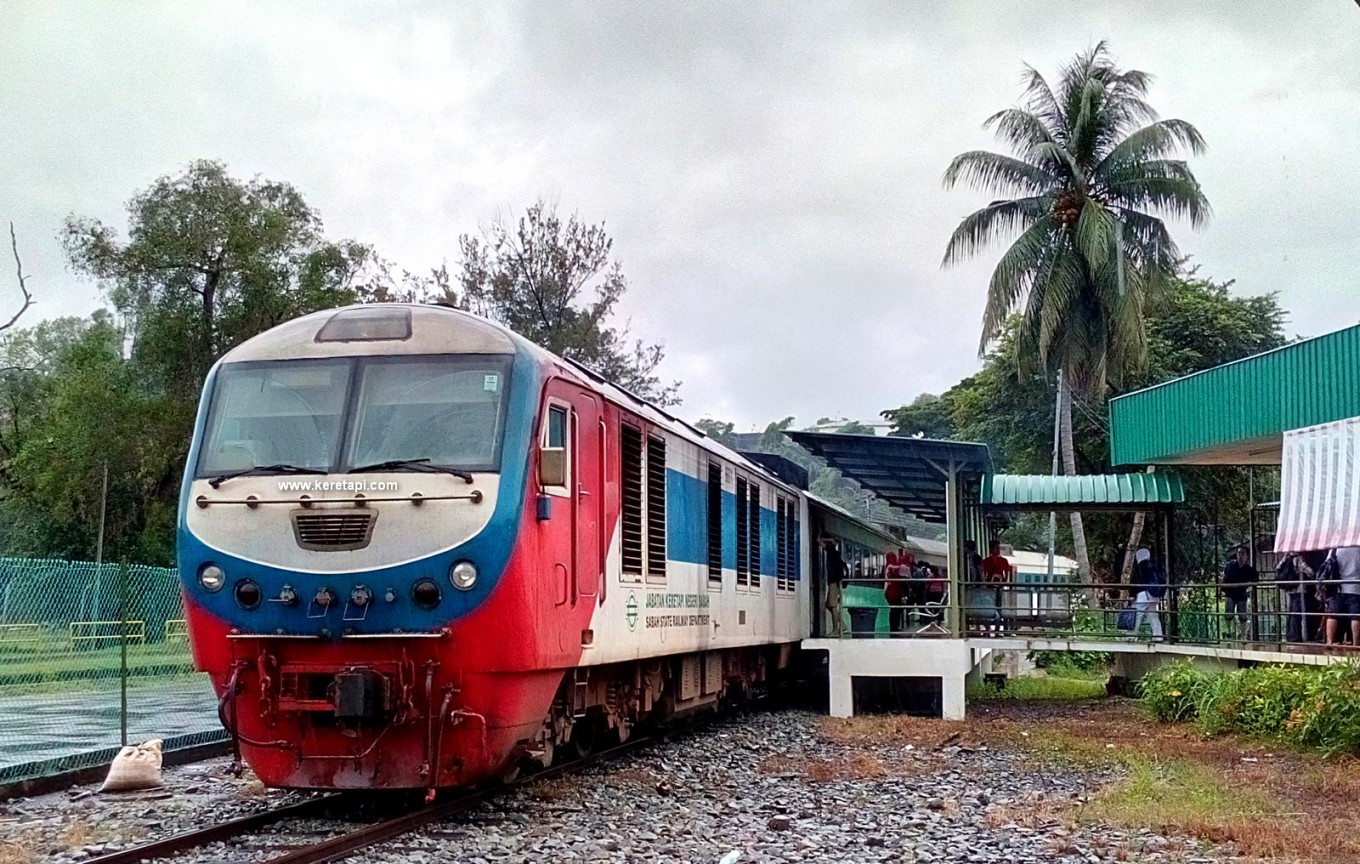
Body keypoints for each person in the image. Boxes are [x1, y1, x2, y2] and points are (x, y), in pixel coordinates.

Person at [1280, 550, 1321, 643]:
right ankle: (1296, 637)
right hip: (1301, 589)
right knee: (1297, 614)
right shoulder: (1300, 559)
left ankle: (1291, 636)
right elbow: (1311, 573)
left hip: (1291, 590)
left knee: (1292, 614)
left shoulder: (1286, 558)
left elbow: (1278, 568)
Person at [1326, 546, 1360, 647]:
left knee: (1333, 615)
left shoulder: (1335, 549)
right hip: (1355, 587)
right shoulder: (1357, 549)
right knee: (1356, 616)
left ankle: (1330, 641)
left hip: (1337, 586)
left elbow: (1328, 564)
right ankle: (1356, 643)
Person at [1222, 546, 1258, 641]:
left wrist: (1248, 587)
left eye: (1242, 553)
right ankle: (1228, 632)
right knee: (1228, 612)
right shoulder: (1230, 565)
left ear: (1247, 556)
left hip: (1241, 593)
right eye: (1239, 553)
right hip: (1230, 592)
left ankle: (1242, 635)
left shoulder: (1249, 570)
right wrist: (1221, 589)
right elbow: (1225, 577)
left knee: (1242, 615)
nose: (1240, 555)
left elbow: (1255, 581)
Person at [1130, 548, 1165, 641]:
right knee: (1153, 616)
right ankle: (1158, 636)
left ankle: (1131, 636)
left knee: (1137, 615)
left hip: (1143, 595)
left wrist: (1132, 594)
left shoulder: (1141, 567)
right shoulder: (1153, 566)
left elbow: (1137, 582)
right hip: (1154, 595)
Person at [963, 540, 996, 634]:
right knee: (973, 607)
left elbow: (980, 571)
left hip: (976, 586)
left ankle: (984, 627)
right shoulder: (968, 558)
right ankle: (978, 627)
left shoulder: (975, 558)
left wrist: (982, 583)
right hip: (972, 585)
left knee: (976, 607)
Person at [981, 541, 1013, 633]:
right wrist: (986, 583)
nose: (998, 550)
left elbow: (1006, 574)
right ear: (991, 549)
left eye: (998, 548)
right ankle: (989, 627)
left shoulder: (1003, 561)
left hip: (999, 587)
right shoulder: (986, 561)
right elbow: (983, 574)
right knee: (989, 606)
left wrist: (1003, 583)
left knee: (1000, 606)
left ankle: (998, 628)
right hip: (989, 587)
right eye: (996, 548)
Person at [821, 535, 848, 637]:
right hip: (836, 582)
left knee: (832, 606)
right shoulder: (836, 554)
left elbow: (818, 540)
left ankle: (835, 630)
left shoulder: (832, 553)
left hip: (834, 582)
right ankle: (843, 625)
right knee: (829, 605)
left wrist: (826, 538)